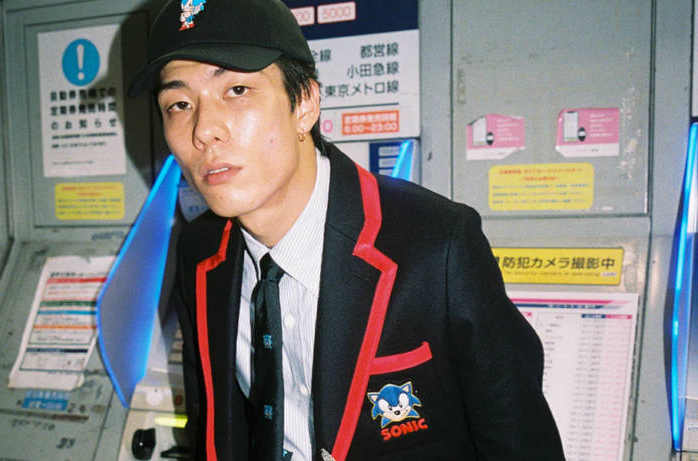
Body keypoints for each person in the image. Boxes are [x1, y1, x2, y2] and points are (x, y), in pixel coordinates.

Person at [128, 0, 565, 460]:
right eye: (179, 104)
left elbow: (521, 444)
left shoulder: (437, 247)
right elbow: (215, 424)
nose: (203, 130)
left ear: (305, 103)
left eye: (237, 90)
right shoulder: (200, 252)